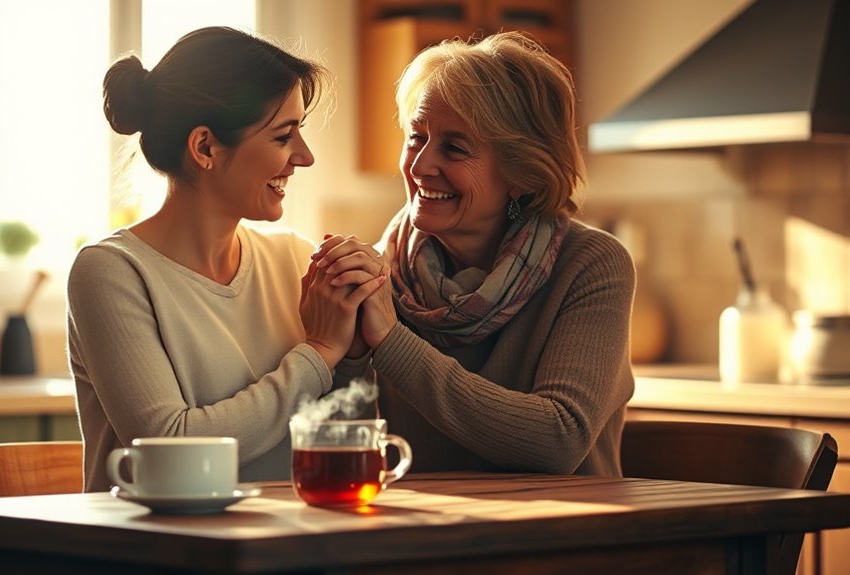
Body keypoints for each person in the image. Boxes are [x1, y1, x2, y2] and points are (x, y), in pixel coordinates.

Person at [68, 26, 384, 492]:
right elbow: (171, 448)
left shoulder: (298, 259)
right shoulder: (111, 272)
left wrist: (352, 356)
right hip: (157, 538)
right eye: (283, 136)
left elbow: (340, 447)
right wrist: (318, 354)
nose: (305, 157)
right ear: (205, 148)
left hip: (291, 535)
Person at [314, 31, 635, 475]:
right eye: (416, 137)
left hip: (561, 518)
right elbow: (343, 455)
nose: (420, 166)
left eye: (454, 148)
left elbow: (560, 440)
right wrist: (347, 360)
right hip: (420, 519)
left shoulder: (589, 264)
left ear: (522, 173)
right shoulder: (379, 274)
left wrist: (391, 342)